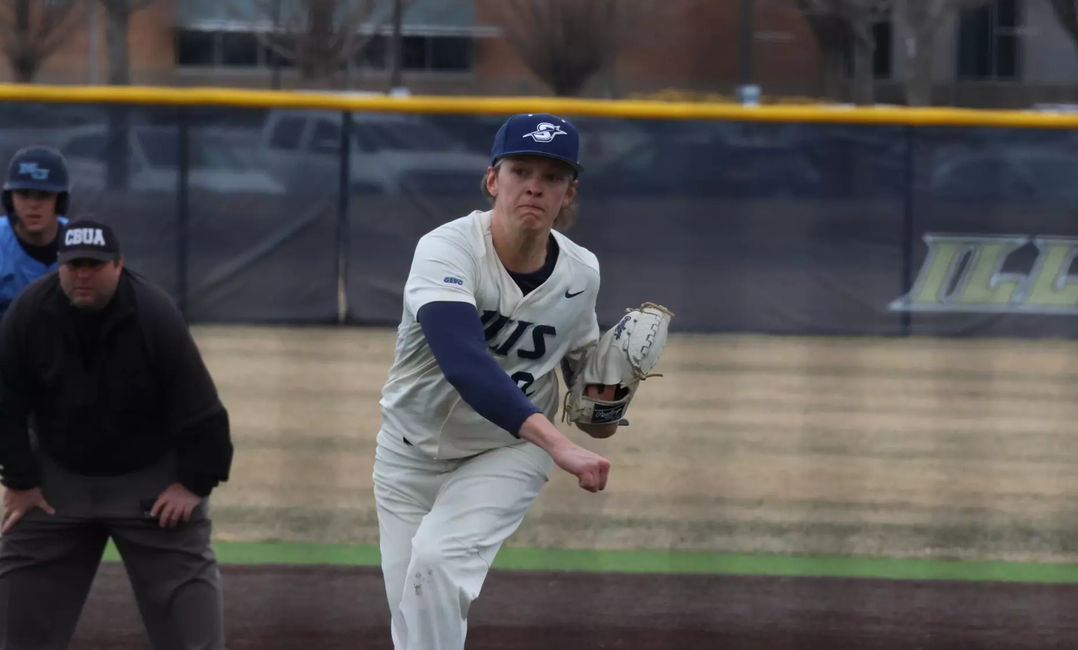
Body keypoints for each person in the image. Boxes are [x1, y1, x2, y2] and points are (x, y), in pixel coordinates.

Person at [373, 113, 624, 650]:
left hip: (506, 452)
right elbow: (464, 362)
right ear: (493, 180)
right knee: (413, 611)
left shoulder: (582, 274)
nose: (535, 185)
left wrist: (605, 404)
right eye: (520, 170)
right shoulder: (447, 249)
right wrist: (562, 446)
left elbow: (590, 403)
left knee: (438, 565)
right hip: (407, 453)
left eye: (552, 177)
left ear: (568, 194)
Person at [0, 219, 234, 650]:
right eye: (74, 265)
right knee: (19, 625)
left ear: (118, 266)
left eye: (95, 264)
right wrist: (19, 480)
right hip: (59, 476)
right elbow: (5, 403)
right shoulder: (31, 312)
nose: (83, 274)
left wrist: (194, 484)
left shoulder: (153, 314)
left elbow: (201, 409)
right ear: (59, 266)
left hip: (149, 475)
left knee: (192, 627)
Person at [0, 145, 72, 317]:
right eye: (24, 194)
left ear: (60, 200)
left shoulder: (79, 239)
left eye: (44, 195)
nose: (33, 204)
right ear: (10, 200)